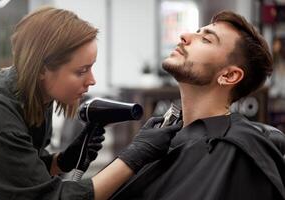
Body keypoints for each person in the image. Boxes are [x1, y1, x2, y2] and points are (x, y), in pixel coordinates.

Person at [0, 7, 183, 200]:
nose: (92, 80)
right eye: (81, 71)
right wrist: (135, 155)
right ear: (42, 69)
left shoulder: (37, 96)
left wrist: (62, 161)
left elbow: (19, 175)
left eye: (91, 68)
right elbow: (48, 196)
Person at [110, 10, 285, 200]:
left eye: (206, 40)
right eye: (197, 32)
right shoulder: (160, 138)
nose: (184, 36)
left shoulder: (238, 152)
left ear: (229, 76)